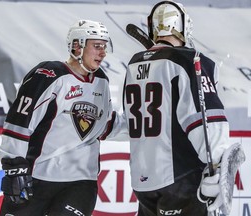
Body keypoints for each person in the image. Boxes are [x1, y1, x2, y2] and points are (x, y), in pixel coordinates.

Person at [100, 1, 244, 215]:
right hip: (183, 179)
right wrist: (217, 166)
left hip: (144, 184)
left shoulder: (134, 63)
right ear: (184, 26)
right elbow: (206, 121)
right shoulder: (190, 60)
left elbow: (133, 122)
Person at [0, 19, 114, 216]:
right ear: (77, 46)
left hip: (80, 181)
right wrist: (14, 166)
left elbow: (104, 125)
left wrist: (147, 126)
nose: (103, 53)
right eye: (97, 46)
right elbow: (20, 121)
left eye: (104, 46)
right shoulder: (49, 74)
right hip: (38, 176)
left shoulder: (101, 80)